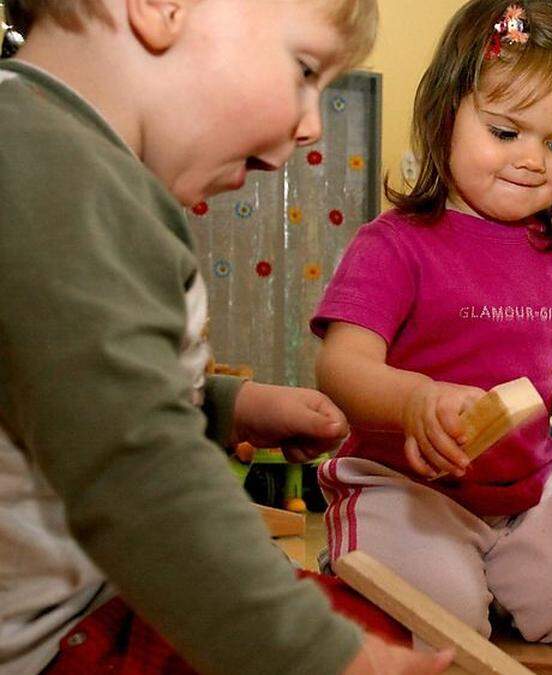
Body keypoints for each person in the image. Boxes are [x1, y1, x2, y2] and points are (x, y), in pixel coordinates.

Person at [0, 1, 452, 674]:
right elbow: (137, 474)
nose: (309, 124)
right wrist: (322, 660)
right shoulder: (47, 166)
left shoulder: (57, 155)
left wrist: (227, 406)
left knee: (369, 620)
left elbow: (57, 382)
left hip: (94, 599)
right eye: (304, 70)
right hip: (51, 641)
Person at [311, 0, 552, 646]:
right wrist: (415, 399)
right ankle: (359, 574)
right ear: (446, 114)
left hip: (526, 494)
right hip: (406, 489)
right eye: (505, 132)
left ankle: (491, 582)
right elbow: (339, 364)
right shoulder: (397, 243)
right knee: (439, 624)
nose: (532, 160)